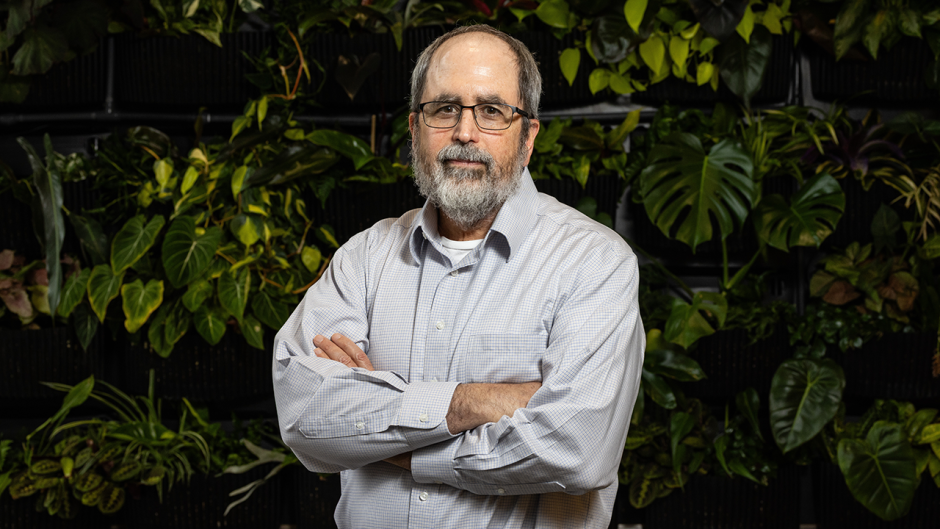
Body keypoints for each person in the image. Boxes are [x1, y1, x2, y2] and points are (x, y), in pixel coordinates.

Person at [273, 24, 645, 528]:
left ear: (528, 135)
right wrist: (480, 401)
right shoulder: (363, 259)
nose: (465, 132)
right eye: (444, 108)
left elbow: (575, 450)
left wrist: (386, 434)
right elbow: (305, 416)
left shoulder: (593, 263)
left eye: (492, 111)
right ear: (414, 127)